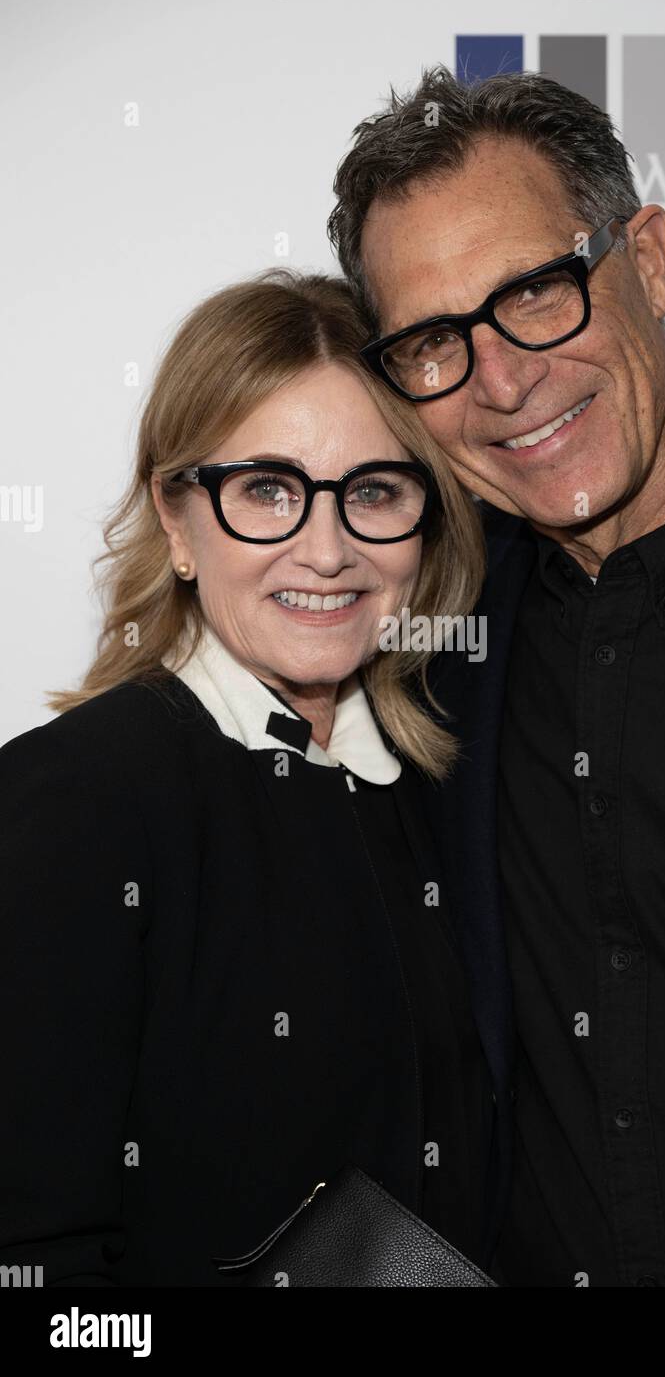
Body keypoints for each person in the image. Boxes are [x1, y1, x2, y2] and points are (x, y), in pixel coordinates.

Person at [327, 65, 665, 1287]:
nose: (501, 381)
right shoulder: (423, 656)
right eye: (432, 343)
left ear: (649, 261)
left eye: (535, 293)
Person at [0, 269, 496, 1286]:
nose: (326, 549)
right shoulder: (72, 804)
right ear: (177, 523)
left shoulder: (445, 791)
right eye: (266, 489)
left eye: (372, 491)